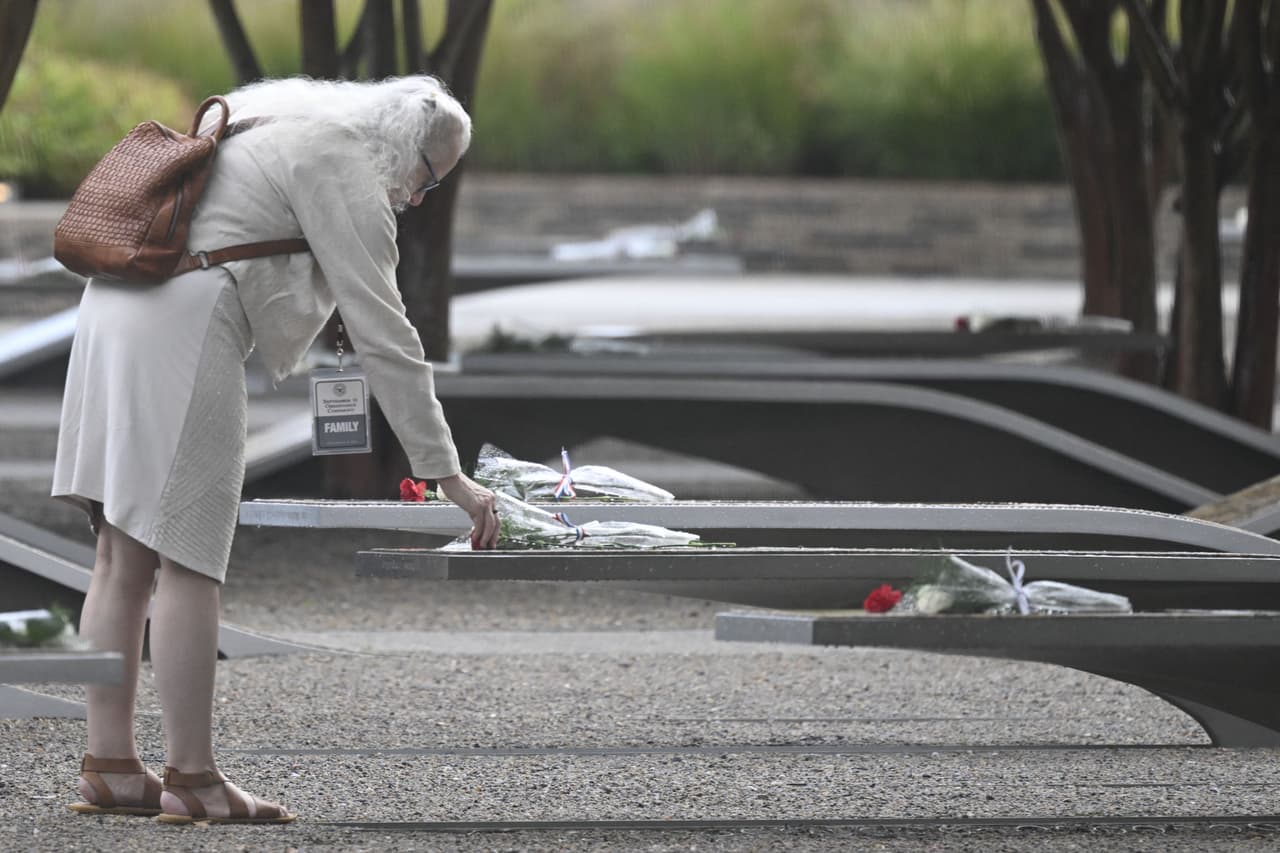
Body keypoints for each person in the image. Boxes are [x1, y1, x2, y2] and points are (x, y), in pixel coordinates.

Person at [52, 75, 499, 825]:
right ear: (404, 149)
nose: (420, 197)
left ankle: (111, 764)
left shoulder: (281, 118)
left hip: (117, 297)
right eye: (428, 177)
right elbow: (388, 336)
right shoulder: (347, 166)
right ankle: (191, 778)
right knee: (189, 558)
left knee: (119, 555)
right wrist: (449, 476)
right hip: (185, 317)